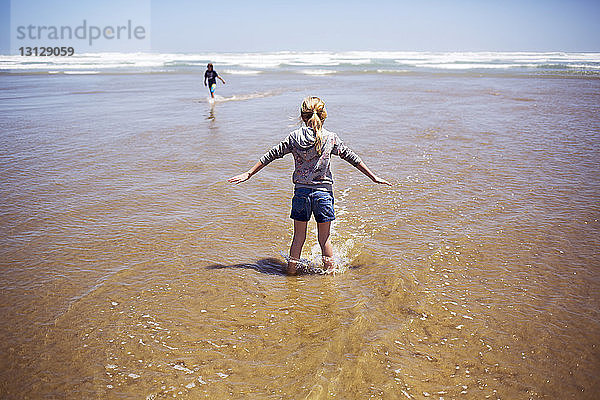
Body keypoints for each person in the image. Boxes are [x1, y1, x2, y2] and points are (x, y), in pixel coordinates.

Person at [228, 96, 391, 275]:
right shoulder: (330, 138)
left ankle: (290, 275)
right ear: (324, 116)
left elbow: (271, 154)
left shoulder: (294, 137)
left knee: (298, 238)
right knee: (324, 239)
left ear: (302, 116)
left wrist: (249, 173)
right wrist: (373, 176)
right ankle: (329, 278)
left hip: (301, 194)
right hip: (323, 195)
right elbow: (352, 157)